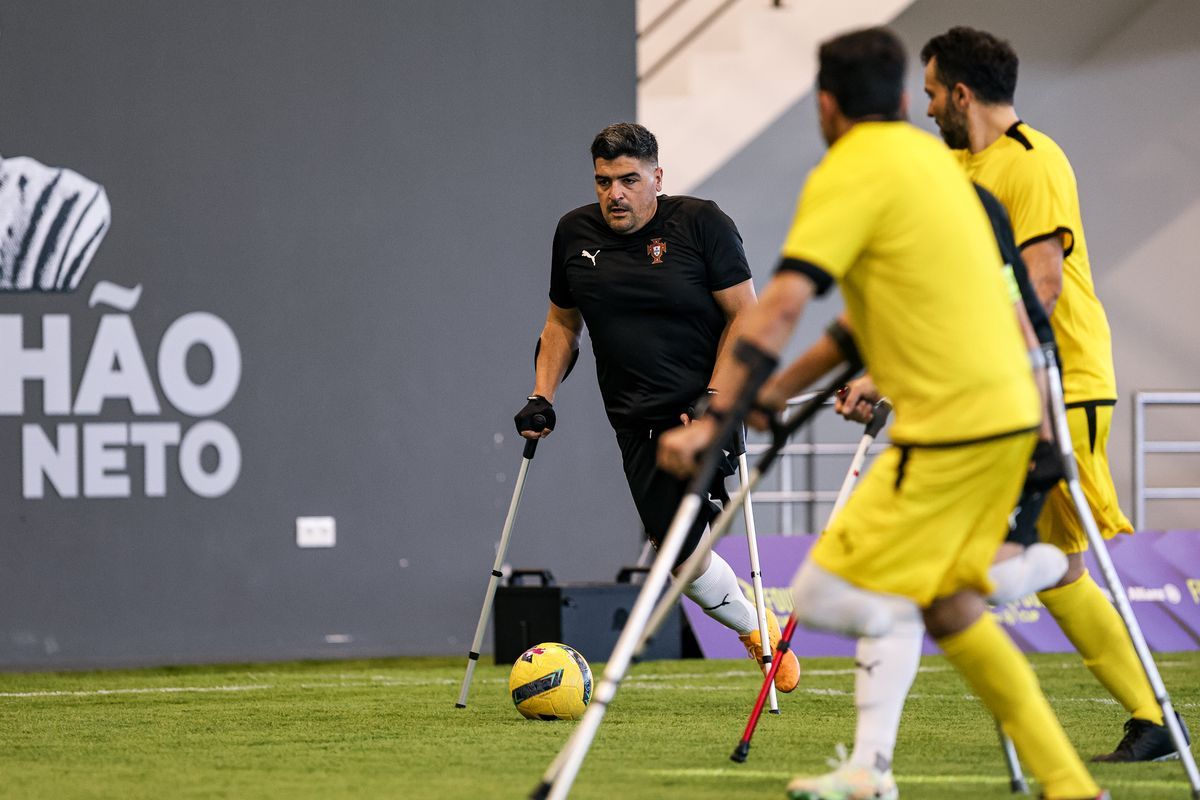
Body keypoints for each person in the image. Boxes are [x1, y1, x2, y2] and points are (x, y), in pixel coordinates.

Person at [658, 27, 1104, 800]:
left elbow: (782, 306)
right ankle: (1054, 783)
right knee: (945, 606)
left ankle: (1029, 569)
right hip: (1002, 417)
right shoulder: (939, 168)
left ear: (826, 105)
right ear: (902, 99)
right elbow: (853, 327)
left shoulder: (846, 174)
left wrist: (715, 417)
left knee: (831, 595)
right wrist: (771, 396)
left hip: (951, 429)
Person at [921, 25, 1188, 763]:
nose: (927, 106)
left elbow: (1038, 285)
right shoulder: (955, 164)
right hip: (1003, 384)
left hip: (1059, 380)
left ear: (962, 94)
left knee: (1054, 555)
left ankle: (1152, 715)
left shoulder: (1032, 165)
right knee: (1062, 562)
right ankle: (1152, 716)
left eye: (934, 92)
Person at [513, 122, 800, 693]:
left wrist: (717, 400)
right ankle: (755, 624)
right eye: (603, 181)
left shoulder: (701, 224)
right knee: (683, 561)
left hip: (704, 408)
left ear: (656, 178)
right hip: (632, 420)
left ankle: (760, 641)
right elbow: (561, 324)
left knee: (678, 542)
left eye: (628, 180)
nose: (614, 194)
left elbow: (746, 314)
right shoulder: (573, 233)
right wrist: (541, 395)